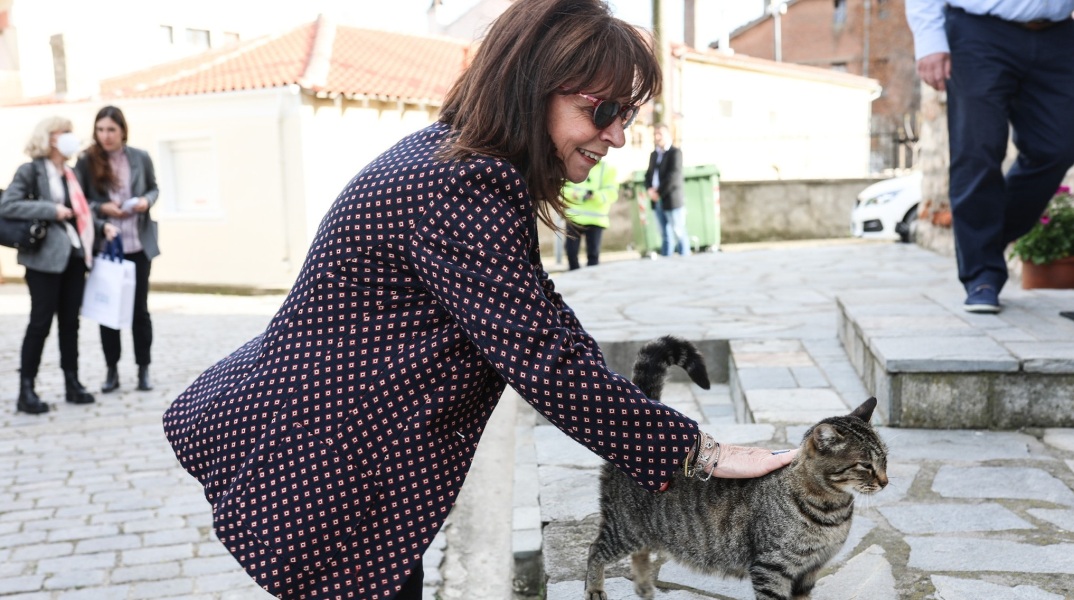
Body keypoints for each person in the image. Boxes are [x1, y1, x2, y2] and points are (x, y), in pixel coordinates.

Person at [162, 1, 796, 598]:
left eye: (627, 116)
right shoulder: (465, 183)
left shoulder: (460, 160)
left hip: (326, 455)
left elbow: (540, 318)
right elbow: (546, 362)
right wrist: (696, 453)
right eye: (603, 111)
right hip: (324, 468)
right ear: (533, 85)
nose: (617, 137)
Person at [906, 0, 1074, 313]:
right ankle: (981, 274)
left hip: (1058, 34)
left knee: (1059, 147)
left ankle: (984, 243)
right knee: (978, 149)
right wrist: (929, 40)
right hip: (979, 31)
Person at [1, 116, 118, 415]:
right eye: (65, 132)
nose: (70, 138)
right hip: (43, 259)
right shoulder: (30, 171)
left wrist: (101, 225)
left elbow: (82, 209)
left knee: (70, 323)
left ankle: (72, 383)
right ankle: (27, 391)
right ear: (51, 137)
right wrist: (51, 209)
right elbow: (8, 205)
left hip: (75, 257)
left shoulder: (70, 173)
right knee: (40, 323)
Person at [74, 106, 160, 392]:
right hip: (107, 245)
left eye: (111, 129)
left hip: (138, 244)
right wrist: (103, 208)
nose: (105, 136)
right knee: (109, 310)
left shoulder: (140, 157)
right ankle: (111, 371)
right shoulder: (87, 161)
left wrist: (146, 201)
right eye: (100, 130)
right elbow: (81, 201)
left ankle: (143, 369)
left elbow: (153, 188)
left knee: (139, 312)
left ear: (123, 130)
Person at [644, 123, 690, 257]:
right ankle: (666, 262)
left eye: (660, 134)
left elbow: (673, 177)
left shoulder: (675, 153)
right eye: (655, 135)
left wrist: (658, 193)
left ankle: (685, 259)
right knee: (664, 234)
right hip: (656, 201)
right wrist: (649, 190)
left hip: (671, 200)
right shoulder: (654, 154)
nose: (657, 137)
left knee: (679, 232)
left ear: (668, 135)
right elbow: (648, 175)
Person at [562, 161, 618, 269]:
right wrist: (576, 194)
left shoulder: (608, 169)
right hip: (574, 217)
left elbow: (612, 193)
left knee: (593, 256)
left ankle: (593, 282)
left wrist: (594, 195)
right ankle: (575, 279)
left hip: (595, 219)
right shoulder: (572, 164)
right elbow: (561, 188)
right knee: (571, 253)